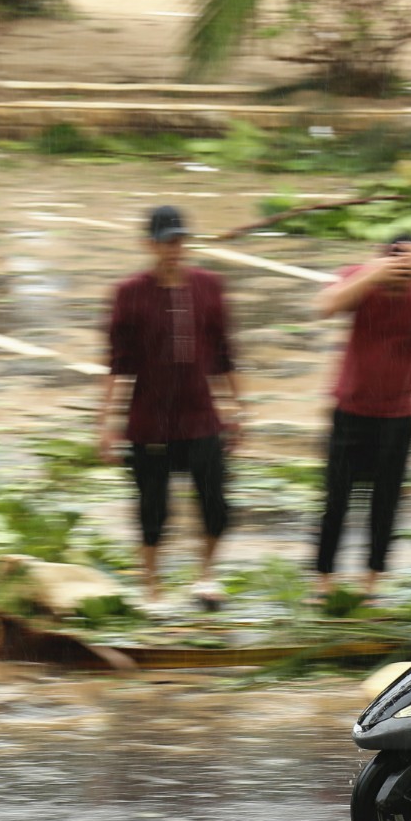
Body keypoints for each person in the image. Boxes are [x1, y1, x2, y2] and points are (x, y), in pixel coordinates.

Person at [97, 205, 242, 610]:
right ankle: (151, 586)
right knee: (152, 509)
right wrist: (106, 424)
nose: (174, 249)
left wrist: (238, 409)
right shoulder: (130, 293)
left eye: (180, 241)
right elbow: (117, 363)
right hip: (150, 422)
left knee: (216, 506)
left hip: (201, 417)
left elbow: (224, 354)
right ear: (149, 245)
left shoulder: (209, 287)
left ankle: (206, 577)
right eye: (166, 242)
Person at [312, 236, 411, 604]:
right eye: (396, 261)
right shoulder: (360, 279)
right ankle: (323, 581)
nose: (401, 271)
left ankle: (371, 583)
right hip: (350, 411)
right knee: (336, 498)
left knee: (385, 502)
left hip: (397, 416)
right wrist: (374, 272)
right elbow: (325, 305)